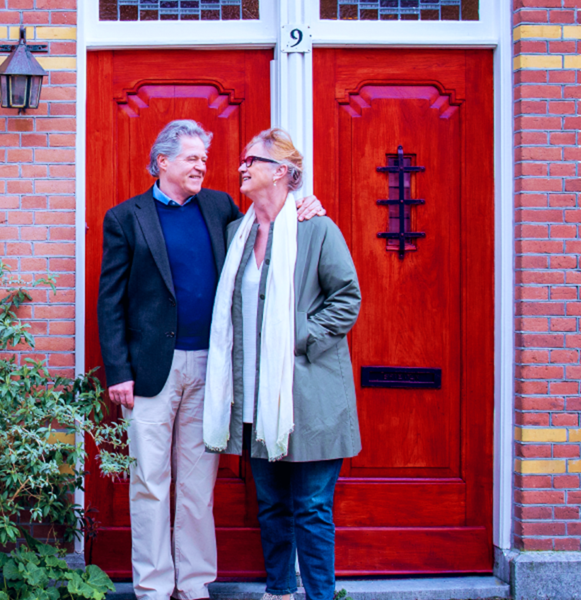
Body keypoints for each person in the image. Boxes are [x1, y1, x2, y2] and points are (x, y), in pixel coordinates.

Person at [97, 120, 324, 600]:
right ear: (163, 162)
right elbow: (110, 302)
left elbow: (270, 219)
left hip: (211, 368)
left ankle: (195, 585)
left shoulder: (220, 207)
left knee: (199, 488)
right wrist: (118, 371)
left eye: (204, 158)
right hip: (148, 374)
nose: (203, 165)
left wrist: (308, 202)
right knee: (150, 483)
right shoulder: (125, 218)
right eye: (192, 158)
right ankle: (155, 588)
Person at [201, 128, 361, 600]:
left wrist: (298, 336)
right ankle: (278, 592)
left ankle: (319, 595)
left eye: (252, 160)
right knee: (270, 505)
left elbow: (346, 298)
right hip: (253, 397)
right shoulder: (237, 231)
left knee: (311, 507)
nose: (242, 167)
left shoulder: (316, 229)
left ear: (282, 173)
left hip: (310, 397)